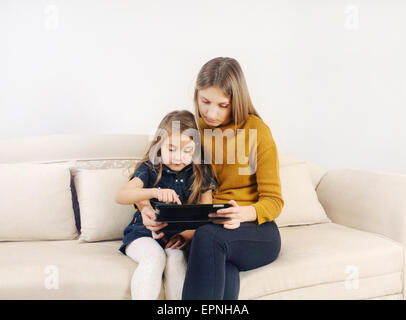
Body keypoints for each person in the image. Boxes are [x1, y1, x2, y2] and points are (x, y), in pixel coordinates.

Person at [147, 57, 284, 300]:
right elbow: (149, 170)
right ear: (196, 95)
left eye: (223, 105)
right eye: (205, 102)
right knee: (220, 263)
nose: (211, 113)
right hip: (212, 233)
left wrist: (240, 214)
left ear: (237, 101)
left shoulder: (257, 131)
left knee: (208, 237)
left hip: (256, 231)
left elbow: (274, 202)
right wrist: (145, 207)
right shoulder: (192, 130)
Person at [115, 110, 217, 300]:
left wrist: (188, 234)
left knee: (176, 259)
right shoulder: (150, 167)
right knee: (154, 258)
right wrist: (154, 192)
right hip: (142, 234)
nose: (178, 157)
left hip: (176, 237)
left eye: (187, 150)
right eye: (171, 149)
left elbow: (207, 215)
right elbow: (121, 195)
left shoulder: (200, 171)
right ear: (158, 146)